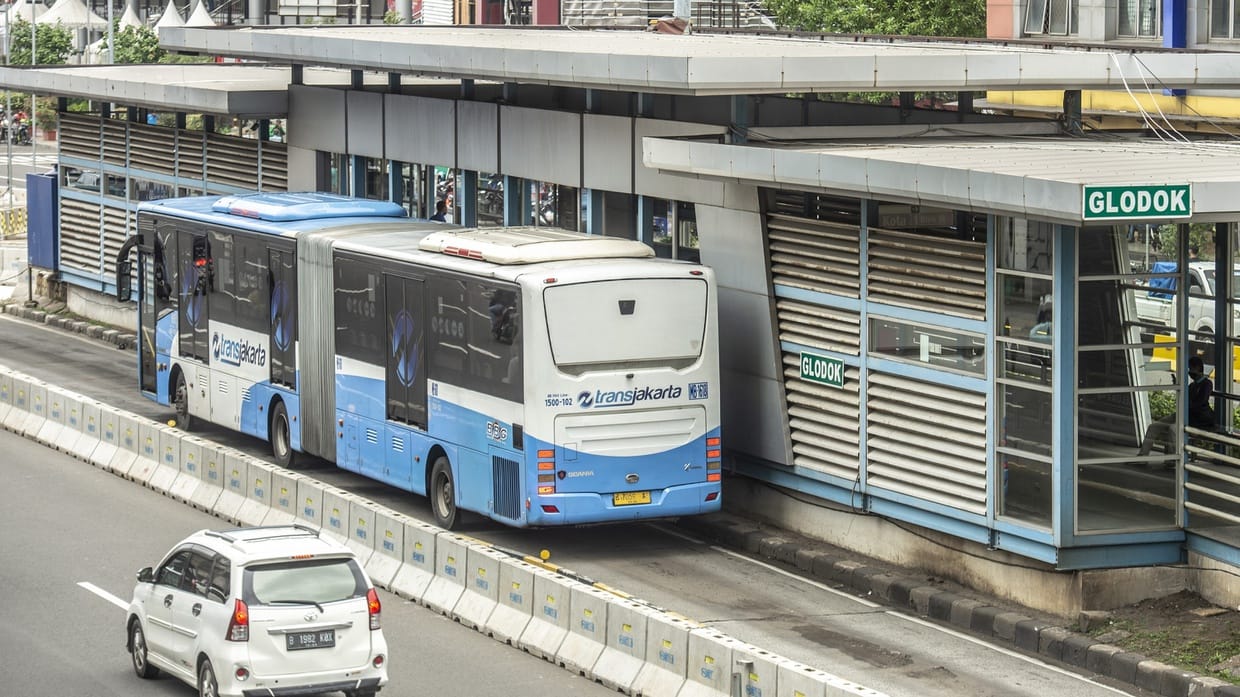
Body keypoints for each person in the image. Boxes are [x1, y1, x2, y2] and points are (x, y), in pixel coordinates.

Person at [1138, 355, 1215, 456]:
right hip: (1184, 414)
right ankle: (1143, 455)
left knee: (1173, 429)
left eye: (1191, 368)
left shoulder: (1206, 384)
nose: (1190, 372)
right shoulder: (1192, 385)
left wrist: (1186, 402)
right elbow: (1184, 399)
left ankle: (1172, 458)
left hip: (1197, 420)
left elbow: (1200, 402)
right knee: (1153, 427)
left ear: (1198, 368)